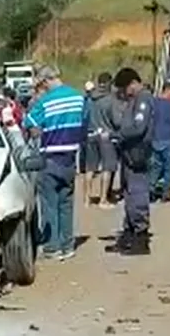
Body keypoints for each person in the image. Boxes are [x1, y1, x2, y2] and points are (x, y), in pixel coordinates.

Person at [22, 65, 86, 261]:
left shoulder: (46, 102)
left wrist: (39, 132)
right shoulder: (79, 98)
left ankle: (52, 247)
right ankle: (68, 245)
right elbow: (85, 124)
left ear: (46, 80)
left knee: (49, 203)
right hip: (71, 156)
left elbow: (29, 122)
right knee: (66, 203)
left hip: (50, 156)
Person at [106, 67, 154, 256]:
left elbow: (138, 128)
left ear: (133, 83)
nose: (124, 94)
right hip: (129, 153)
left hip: (137, 152)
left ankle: (140, 237)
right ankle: (129, 233)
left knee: (137, 193)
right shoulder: (136, 99)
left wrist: (118, 135)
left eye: (125, 89)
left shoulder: (143, 100)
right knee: (128, 193)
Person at [83, 72, 118, 209]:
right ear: (110, 83)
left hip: (90, 134)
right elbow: (115, 119)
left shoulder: (90, 98)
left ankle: (87, 199)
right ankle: (103, 199)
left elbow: (84, 115)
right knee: (107, 168)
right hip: (105, 136)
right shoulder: (110, 99)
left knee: (90, 169)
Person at [149, 82, 170, 202]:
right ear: (169, 91)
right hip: (168, 138)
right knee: (169, 167)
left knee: (156, 166)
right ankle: (166, 193)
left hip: (155, 138)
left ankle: (150, 189)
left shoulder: (153, 102)